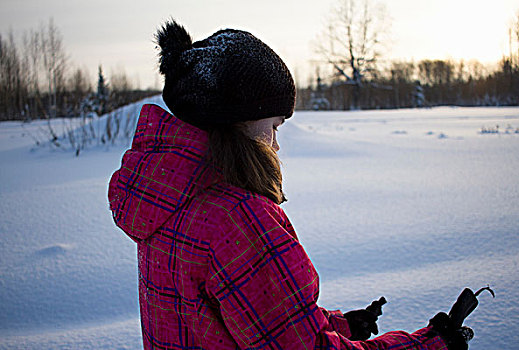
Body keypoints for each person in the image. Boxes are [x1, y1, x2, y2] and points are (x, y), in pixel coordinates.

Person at [108, 20, 471, 350]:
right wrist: (433, 344)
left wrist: (340, 325)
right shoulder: (239, 219)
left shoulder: (167, 199)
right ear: (237, 121)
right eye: (275, 126)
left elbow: (241, 319)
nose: (277, 145)